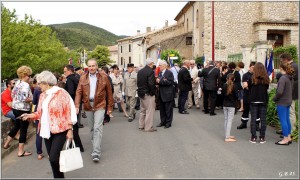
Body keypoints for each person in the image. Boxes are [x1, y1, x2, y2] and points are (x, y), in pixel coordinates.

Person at [20, 70, 77, 178]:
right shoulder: (42, 95)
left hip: (60, 129)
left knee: (54, 158)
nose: (38, 86)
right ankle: (58, 177)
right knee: (52, 157)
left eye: (40, 83)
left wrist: (70, 130)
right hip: (46, 130)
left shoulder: (61, 93)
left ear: (46, 83)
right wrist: (30, 115)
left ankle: (59, 177)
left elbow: (69, 112)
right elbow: (40, 112)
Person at [75, 58, 114, 162]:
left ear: (97, 67)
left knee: (97, 127)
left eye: (93, 65)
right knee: (92, 128)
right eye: (90, 66)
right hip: (88, 104)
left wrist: (110, 107)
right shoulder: (83, 77)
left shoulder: (104, 77)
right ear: (87, 67)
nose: (92, 68)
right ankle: (95, 145)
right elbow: (78, 92)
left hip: (100, 104)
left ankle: (96, 152)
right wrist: (77, 105)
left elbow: (109, 93)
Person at [3, 66, 33, 156]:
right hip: (23, 109)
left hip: (15, 108)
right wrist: (32, 99)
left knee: (17, 126)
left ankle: (6, 144)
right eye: (29, 75)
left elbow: (13, 95)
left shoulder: (17, 83)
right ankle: (20, 151)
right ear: (24, 75)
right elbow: (24, 98)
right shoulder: (25, 85)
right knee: (23, 129)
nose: (30, 77)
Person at [64, 65, 84, 152]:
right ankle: (76, 145)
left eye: (65, 71)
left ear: (69, 71)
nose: (64, 73)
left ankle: (78, 145)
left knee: (73, 125)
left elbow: (71, 92)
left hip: (72, 104)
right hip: (77, 103)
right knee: (74, 125)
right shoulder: (76, 78)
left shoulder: (69, 79)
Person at [273, 63, 294, 145]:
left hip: (282, 101)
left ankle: (285, 139)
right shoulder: (290, 77)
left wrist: (275, 98)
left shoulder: (282, 78)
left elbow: (280, 91)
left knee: (283, 120)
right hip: (288, 100)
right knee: (287, 119)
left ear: (281, 68)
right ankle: (288, 137)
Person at [249, 62, 270, 144]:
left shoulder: (252, 78)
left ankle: (253, 137)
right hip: (263, 100)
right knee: (263, 119)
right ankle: (262, 137)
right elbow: (267, 88)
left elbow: (249, 88)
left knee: (253, 119)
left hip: (254, 100)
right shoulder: (266, 78)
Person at [237, 62, 260, 130]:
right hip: (247, 95)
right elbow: (245, 86)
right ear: (249, 67)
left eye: (255, 68)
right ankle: (244, 123)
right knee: (246, 109)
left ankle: (256, 124)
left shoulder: (257, 75)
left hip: (255, 96)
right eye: (252, 67)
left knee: (256, 111)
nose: (254, 69)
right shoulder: (245, 75)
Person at [279, 53, 298, 135]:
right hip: (291, 93)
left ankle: (290, 131)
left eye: (282, 60)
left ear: (286, 59)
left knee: (290, 113)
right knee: (288, 114)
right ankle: (287, 130)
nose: (282, 62)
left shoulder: (292, 66)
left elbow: (291, 80)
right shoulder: (295, 65)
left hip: (291, 93)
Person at [137, 58, 157, 132]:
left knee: (143, 110)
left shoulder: (140, 71)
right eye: (152, 63)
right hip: (148, 93)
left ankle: (141, 125)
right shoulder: (150, 71)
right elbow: (151, 84)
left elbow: (138, 82)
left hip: (141, 92)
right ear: (150, 64)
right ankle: (148, 127)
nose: (153, 65)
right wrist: (153, 92)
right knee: (149, 110)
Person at [156, 60, 175, 129]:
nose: (159, 66)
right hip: (161, 94)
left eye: (160, 65)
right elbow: (160, 81)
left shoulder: (169, 73)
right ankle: (162, 121)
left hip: (167, 94)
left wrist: (160, 81)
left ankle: (168, 123)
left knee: (168, 110)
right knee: (162, 110)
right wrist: (158, 82)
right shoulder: (160, 73)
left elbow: (170, 82)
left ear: (164, 66)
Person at [222, 74, 238, 142]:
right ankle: (227, 137)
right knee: (229, 121)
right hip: (231, 105)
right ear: (233, 79)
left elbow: (222, 95)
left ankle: (227, 135)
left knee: (226, 120)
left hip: (225, 104)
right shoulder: (234, 86)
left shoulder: (224, 85)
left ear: (226, 78)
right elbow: (236, 96)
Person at [32, 75, 44, 160]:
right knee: (49, 134)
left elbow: (34, 102)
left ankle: (39, 153)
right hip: (46, 112)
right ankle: (51, 153)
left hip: (38, 112)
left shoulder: (36, 90)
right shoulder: (49, 89)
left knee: (38, 133)